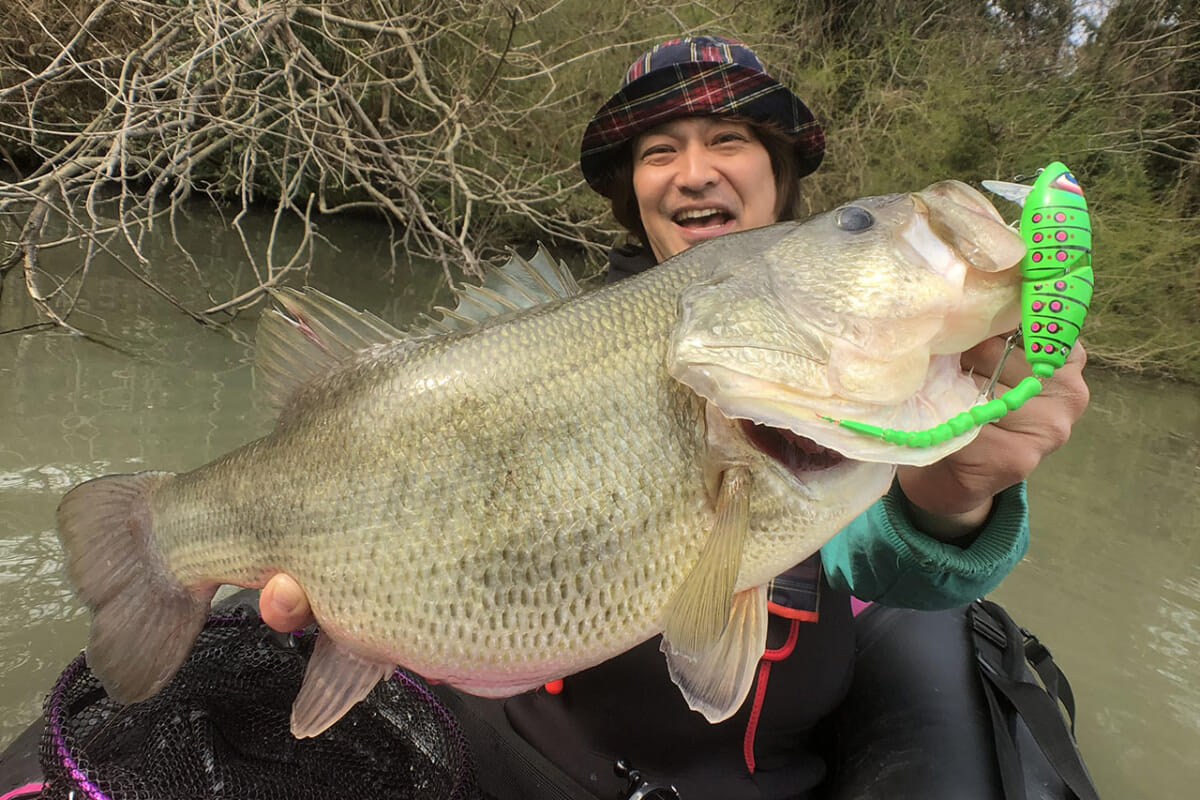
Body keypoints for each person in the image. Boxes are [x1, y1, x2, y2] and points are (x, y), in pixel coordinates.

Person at [259, 35, 1090, 799]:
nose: (694, 172)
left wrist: (952, 498)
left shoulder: (839, 387)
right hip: (520, 764)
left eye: (729, 140)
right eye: (660, 152)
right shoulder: (553, 348)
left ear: (781, 177)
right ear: (634, 195)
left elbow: (878, 562)